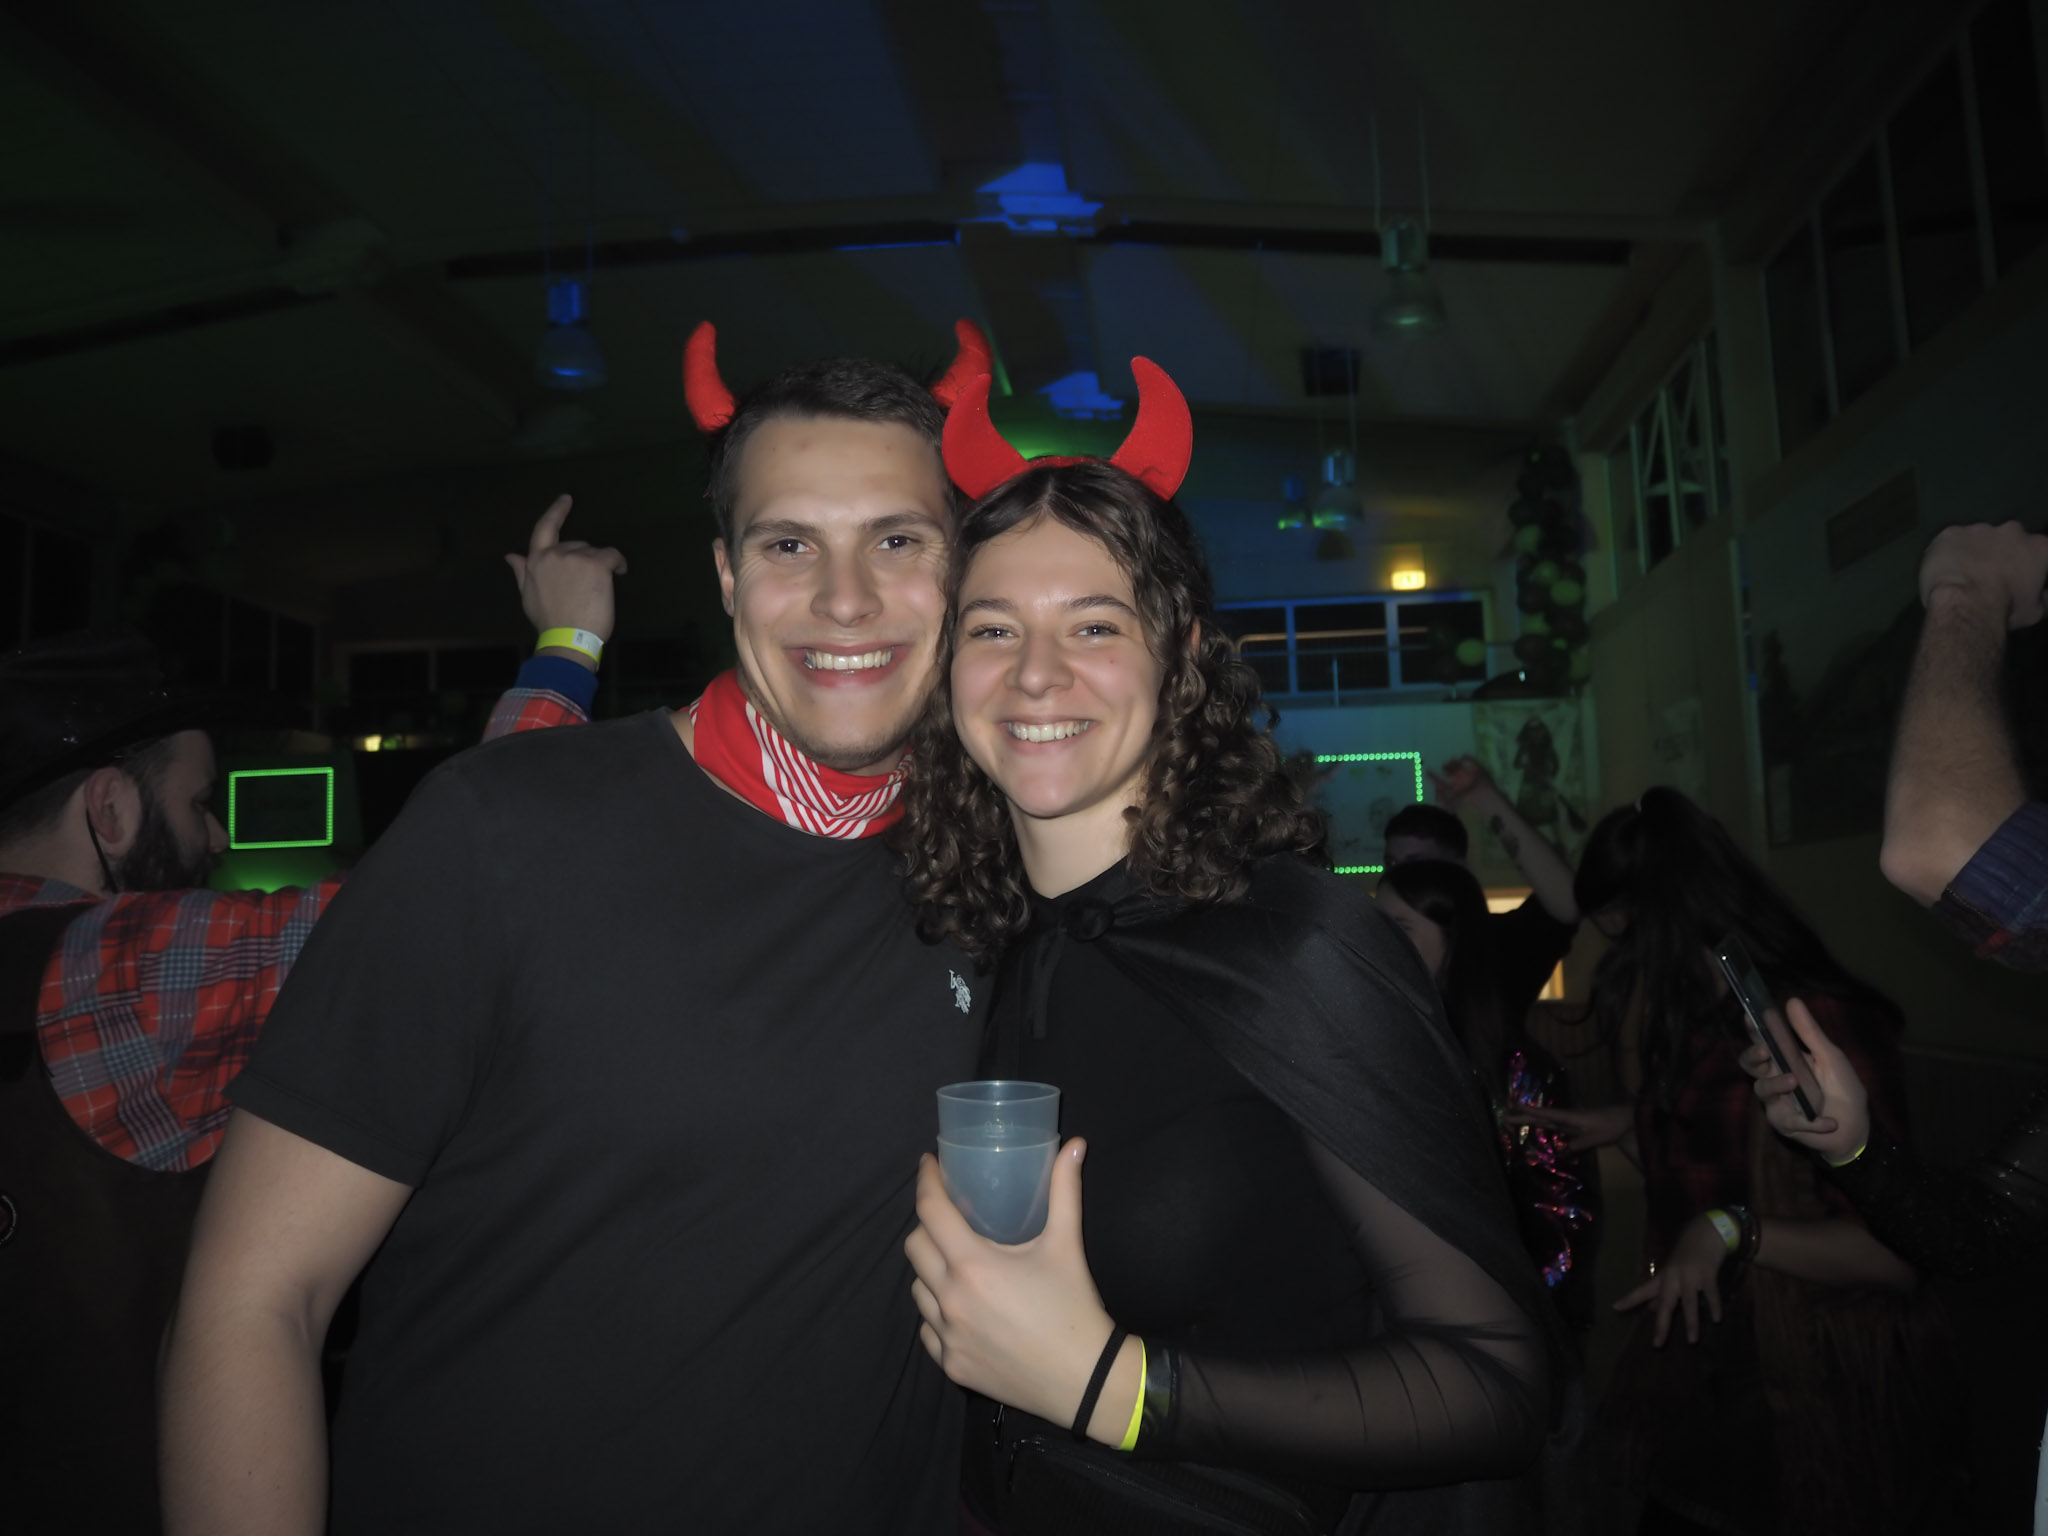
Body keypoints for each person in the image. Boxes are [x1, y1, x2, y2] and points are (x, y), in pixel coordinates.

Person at [159, 322, 994, 1535]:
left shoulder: (989, 869)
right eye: (788, 544)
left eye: (897, 540)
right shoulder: (502, 832)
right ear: (726, 577)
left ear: (959, 572)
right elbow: (254, 1301)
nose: (845, 597)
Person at [897, 365, 1550, 1535]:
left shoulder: (1295, 944)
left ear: (1181, 654)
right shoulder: (972, 942)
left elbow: (1494, 1382)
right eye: (992, 628)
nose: (1034, 673)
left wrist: (1112, 1389)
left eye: (1093, 625)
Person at [0, 499, 612, 1536]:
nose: (219, 834)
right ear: (109, 810)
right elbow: (445, 899)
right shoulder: (112, 973)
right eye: (199, 802)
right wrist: (569, 645)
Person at [1529, 787, 1953, 1535]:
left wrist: (1732, 1230)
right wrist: (1630, 1124)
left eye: (1623, 932)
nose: (1621, 959)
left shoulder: (1815, 1024)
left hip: (1804, 1393)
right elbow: (1717, 1166)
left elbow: (1896, 1256)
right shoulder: (1701, 1014)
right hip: (1709, 1376)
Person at [1375, 858, 1599, 1324]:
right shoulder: (1380, 1045)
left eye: (1401, 927)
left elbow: (1563, 1223)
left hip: (1500, 1325)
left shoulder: (1516, 1071)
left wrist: (1507, 1317)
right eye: (1380, 925)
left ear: (1453, 940)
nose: (1381, 942)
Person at [1382, 759, 1579, 1027]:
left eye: (1417, 865)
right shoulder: (1374, 943)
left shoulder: (1498, 948)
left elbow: (1568, 903)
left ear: (1459, 869)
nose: (1399, 877)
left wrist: (1485, 799)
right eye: (1392, 863)